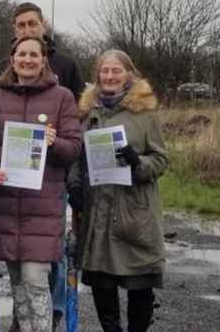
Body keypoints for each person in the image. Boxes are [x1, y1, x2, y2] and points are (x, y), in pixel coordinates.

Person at [0, 2, 84, 331]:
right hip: (5, 202)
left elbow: (73, 148)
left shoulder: (63, 97)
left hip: (43, 204)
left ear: (44, 61)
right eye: (21, 55)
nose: (27, 60)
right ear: (12, 60)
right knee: (16, 284)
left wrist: (55, 143)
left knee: (36, 280)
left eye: (34, 55)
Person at [68, 50, 169, 332]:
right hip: (97, 209)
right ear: (97, 75)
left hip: (133, 209)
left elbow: (161, 160)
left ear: (128, 74)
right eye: (104, 71)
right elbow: (77, 157)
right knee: (102, 281)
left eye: (116, 71)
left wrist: (138, 162)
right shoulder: (86, 112)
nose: (109, 76)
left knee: (139, 283)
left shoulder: (145, 113)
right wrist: (74, 184)